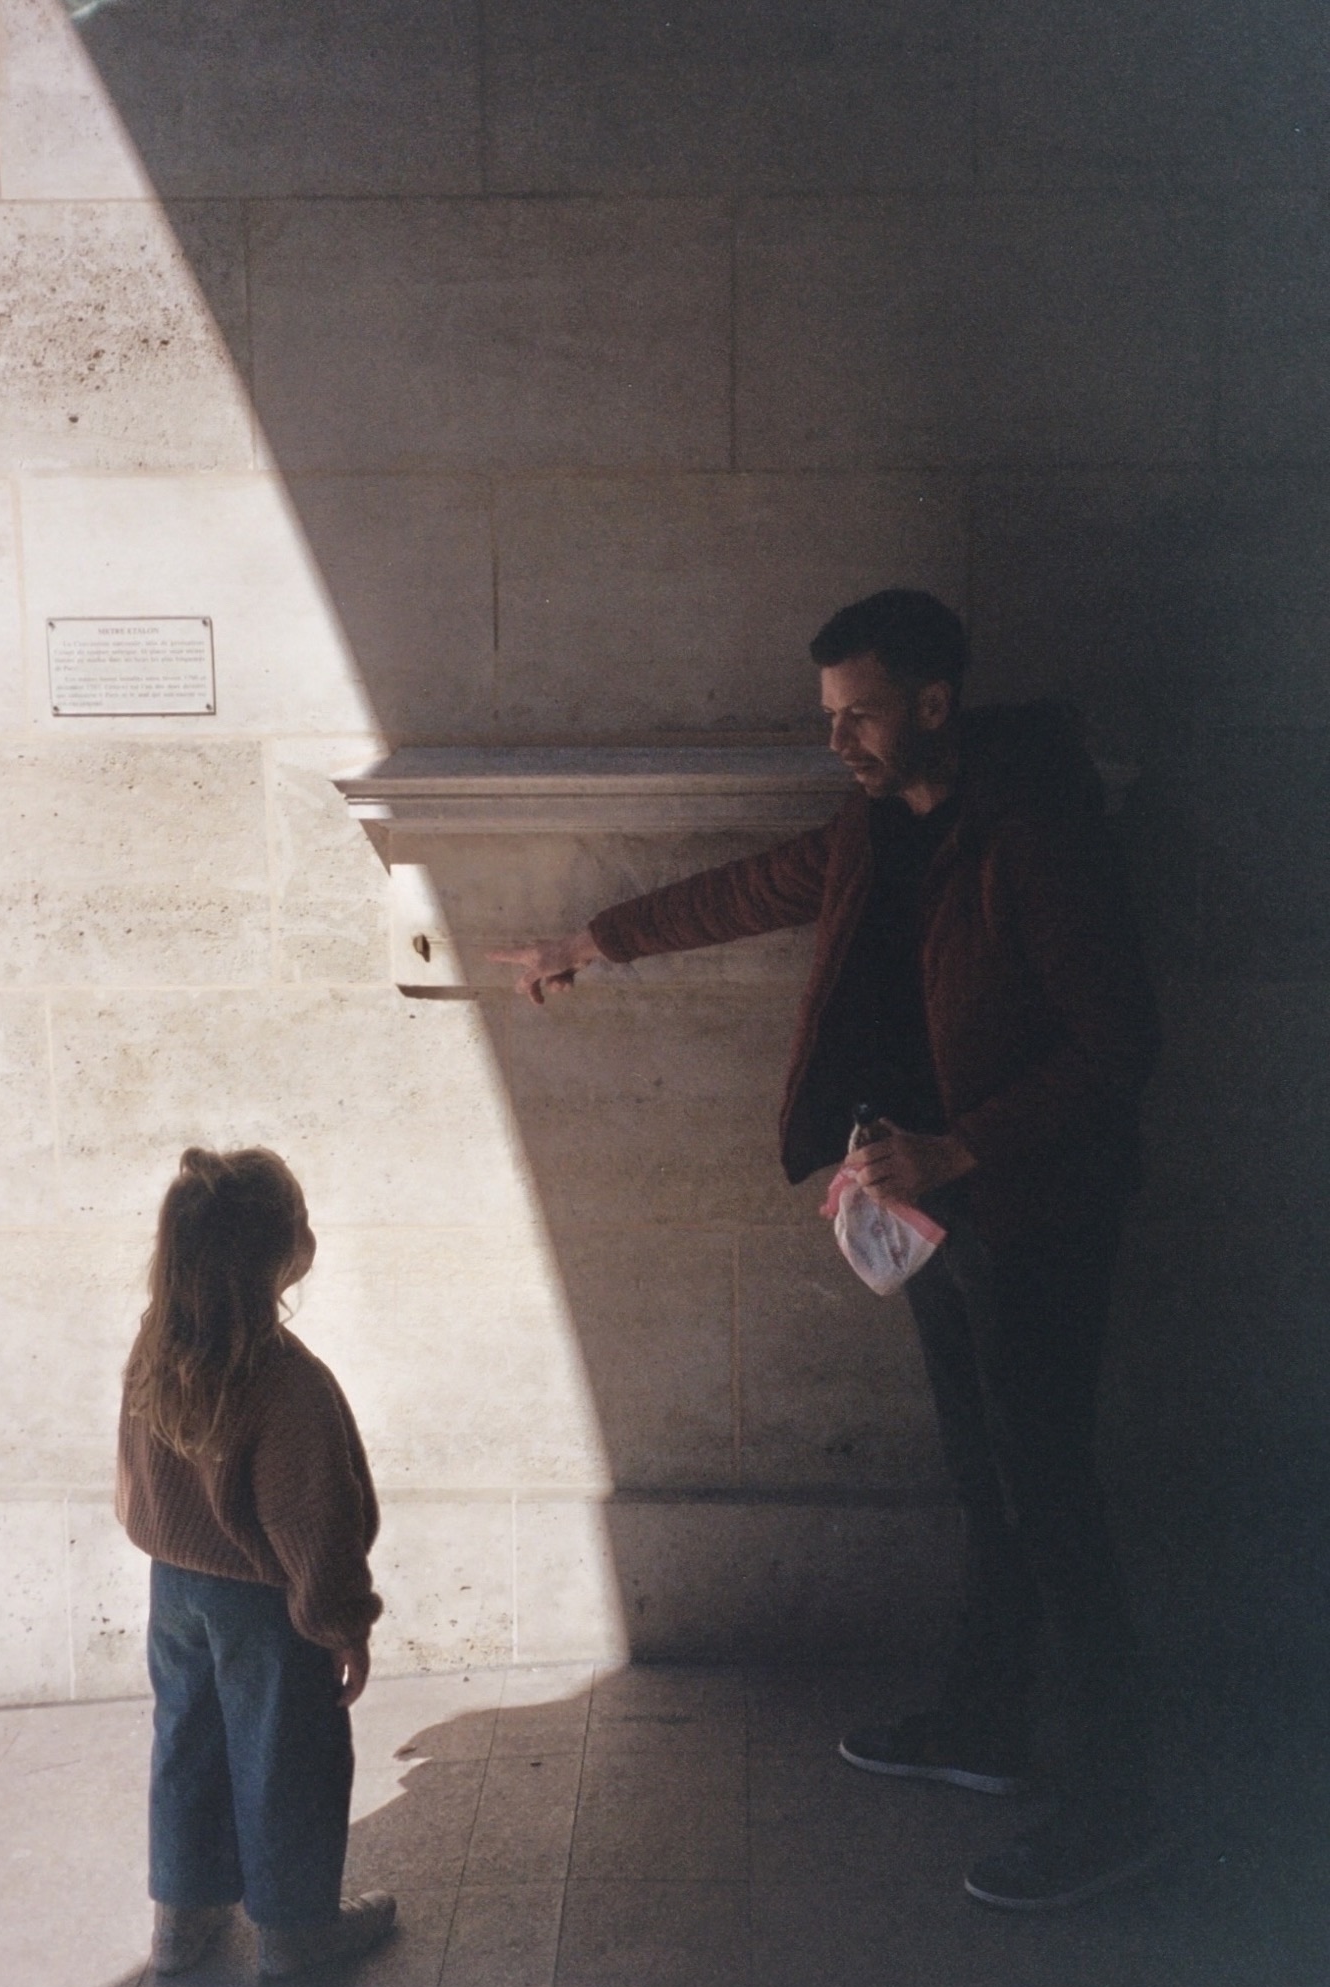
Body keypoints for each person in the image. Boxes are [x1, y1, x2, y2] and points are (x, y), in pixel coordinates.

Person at [490, 588, 1164, 1909]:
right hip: (933, 1211)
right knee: (987, 1480)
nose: (837, 741)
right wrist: (590, 943)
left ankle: (1125, 1804)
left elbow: (1118, 1051)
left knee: (1052, 1498)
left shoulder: (1035, 832)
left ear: (933, 704)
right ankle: (985, 1722)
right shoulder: (874, 827)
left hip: (1033, 1218)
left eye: (858, 716)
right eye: (828, 719)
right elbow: (754, 885)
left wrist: (959, 1149)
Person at [116, 1145, 395, 1976]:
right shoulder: (286, 1381)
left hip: (175, 1587)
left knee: (188, 1741)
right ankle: (295, 1929)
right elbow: (312, 1519)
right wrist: (340, 1621)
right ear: (280, 1254)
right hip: (268, 1603)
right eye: (299, 1223)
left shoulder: (154, 1350)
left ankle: (183, 1917)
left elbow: (135, 1472)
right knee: (289, 1756)